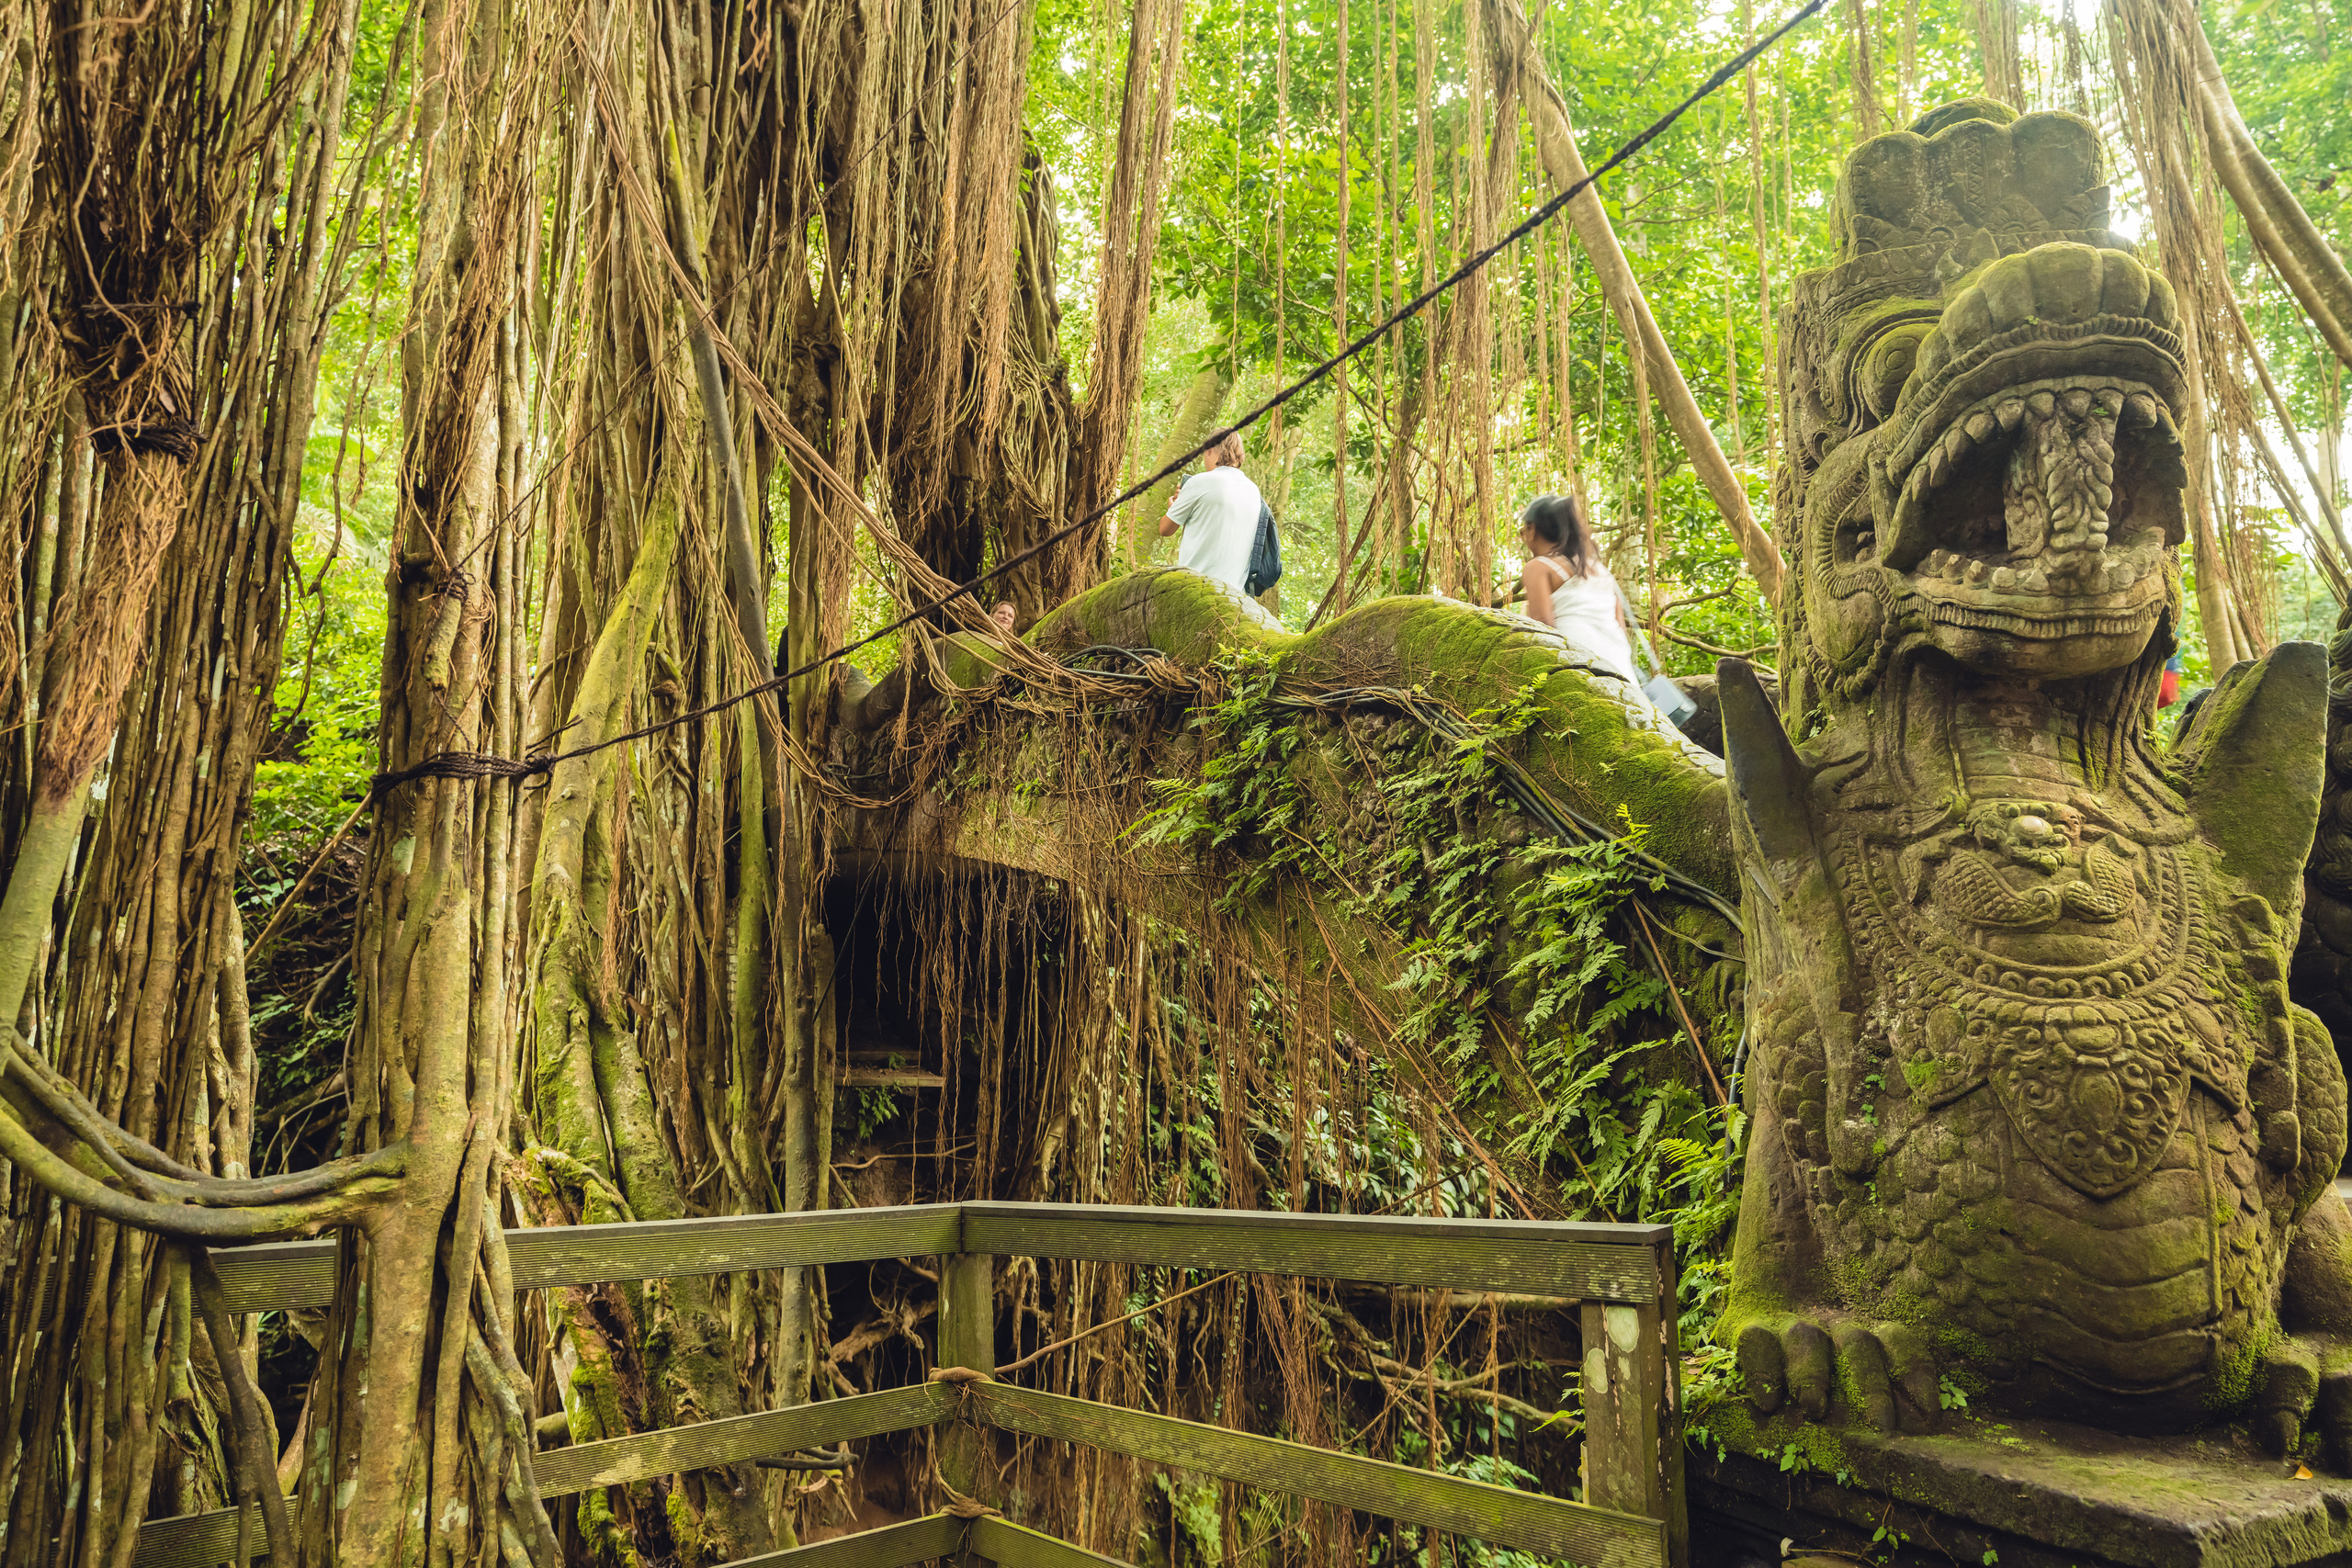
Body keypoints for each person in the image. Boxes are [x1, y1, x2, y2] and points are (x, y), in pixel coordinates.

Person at [1517, 493, 1640, 685]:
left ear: (1532, 530)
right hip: (1622, 673)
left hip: (1580, 672)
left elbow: (1543, 627)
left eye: (1522, 530)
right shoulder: (1599, 569)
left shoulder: (1538, 567)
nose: (1523, 537)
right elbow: (1620, 627)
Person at [1159, 431, 1262, 594]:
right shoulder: (1253, 490)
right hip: (1236, 593)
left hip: (1197, 587)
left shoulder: (1200, 482)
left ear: (1209, 450)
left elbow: (1165, 529)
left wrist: (1174, 507)